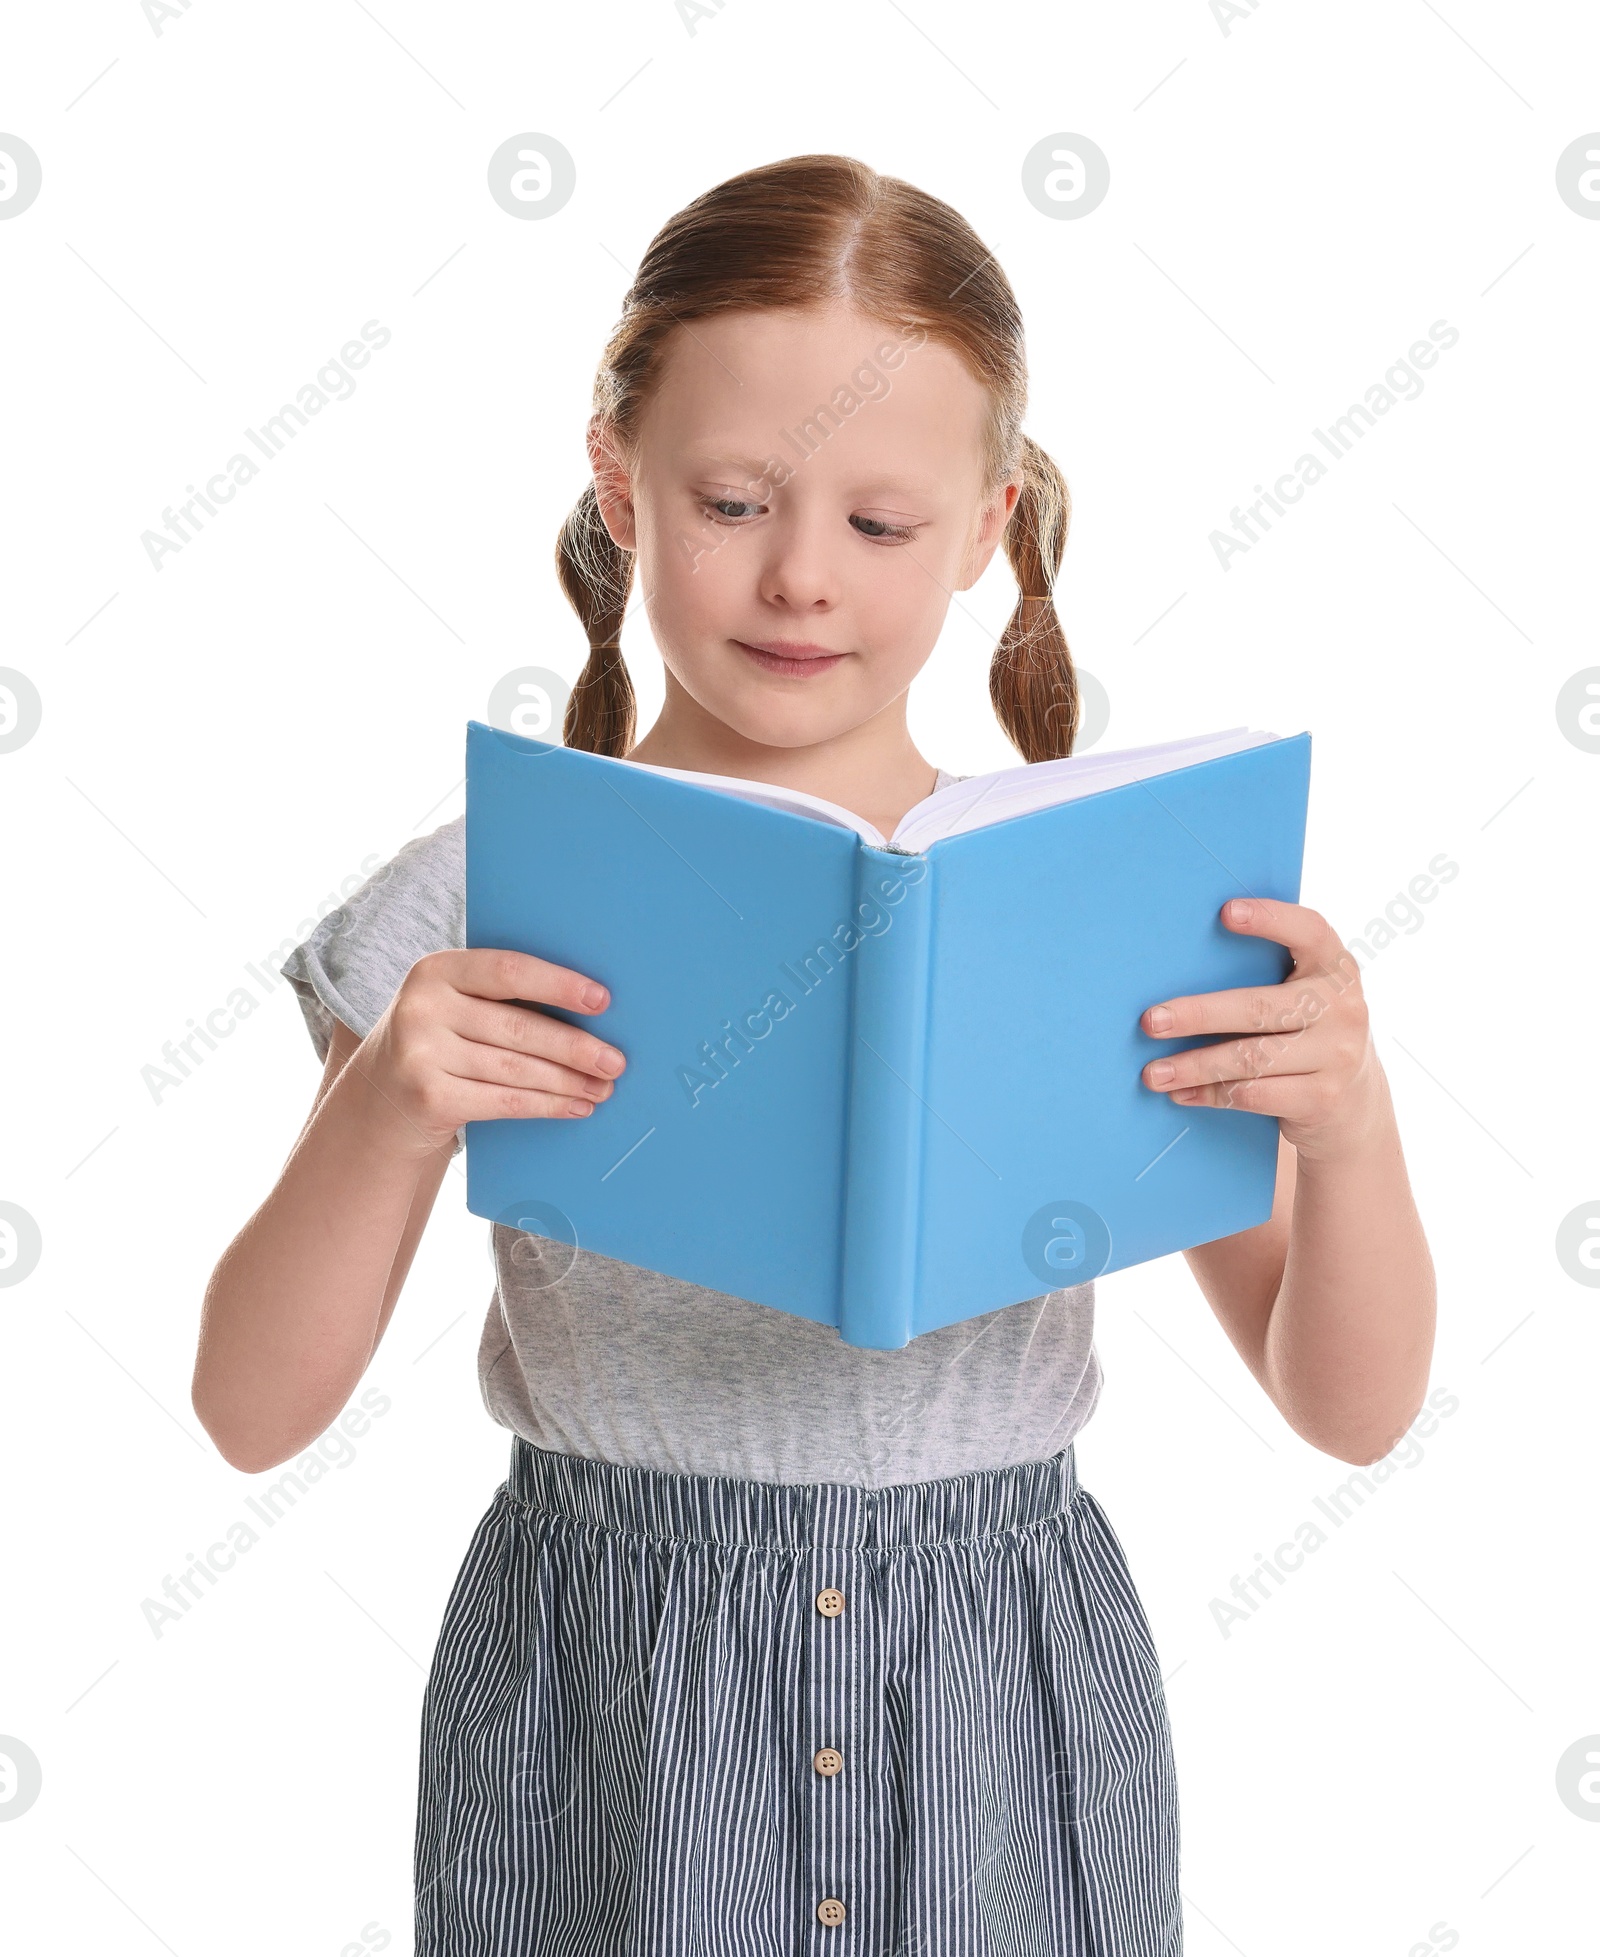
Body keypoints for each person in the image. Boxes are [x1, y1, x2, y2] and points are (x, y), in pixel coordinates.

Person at [192, 154, 1436, 1956]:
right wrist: (386, 1108)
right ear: (618, 483)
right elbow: (251, 1408)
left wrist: (1356, 1127)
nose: (798, 579)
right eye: (731, 498)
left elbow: (1351, 1403)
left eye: (880, 524)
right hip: (615, 1683)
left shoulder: (1083, 897)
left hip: (997, 1682)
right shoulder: (482, 889)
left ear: (991, 527)